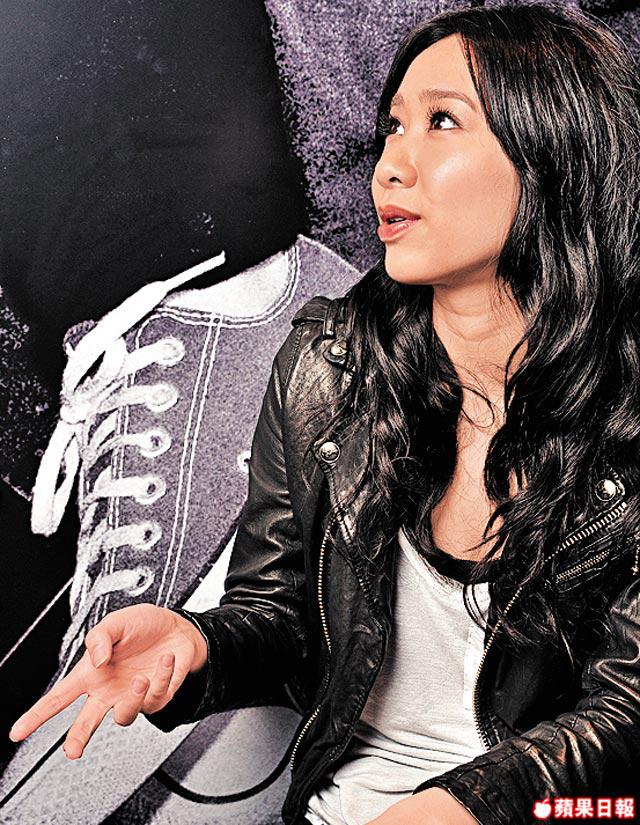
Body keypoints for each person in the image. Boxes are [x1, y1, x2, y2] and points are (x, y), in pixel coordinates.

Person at [8, 2, 640, 823]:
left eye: (441, 122)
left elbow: (627, 710)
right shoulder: (326, 367)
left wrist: (467, 802)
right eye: (391, 128)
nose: (389, 166)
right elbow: (282, 619)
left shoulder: (623, 415)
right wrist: (195, 647)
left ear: (552, 154)